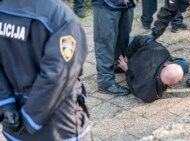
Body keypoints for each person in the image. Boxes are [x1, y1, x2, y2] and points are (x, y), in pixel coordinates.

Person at [0, 0, 89, 140]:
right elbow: (58, 77)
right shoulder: (60, 17)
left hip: (13, 122)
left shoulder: (3, 9)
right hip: (58, 125)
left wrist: (5, 105)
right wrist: (29, 118)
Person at [118, 36, 189, 102]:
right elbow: (132, 85)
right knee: (184, 65)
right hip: (131, 62)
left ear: (167, 64)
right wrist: (127, 69)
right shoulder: (149, 95)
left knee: (184, 64)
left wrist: (127, 57)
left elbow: (138, 39)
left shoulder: (162, 52)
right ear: (171, 85)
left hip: (133, 55)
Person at [91, 0, 135, 96]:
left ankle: (117, 65)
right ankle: (105, 81)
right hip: (105, 3)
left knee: (123, 37)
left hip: (126, 4)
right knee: (105, 41)